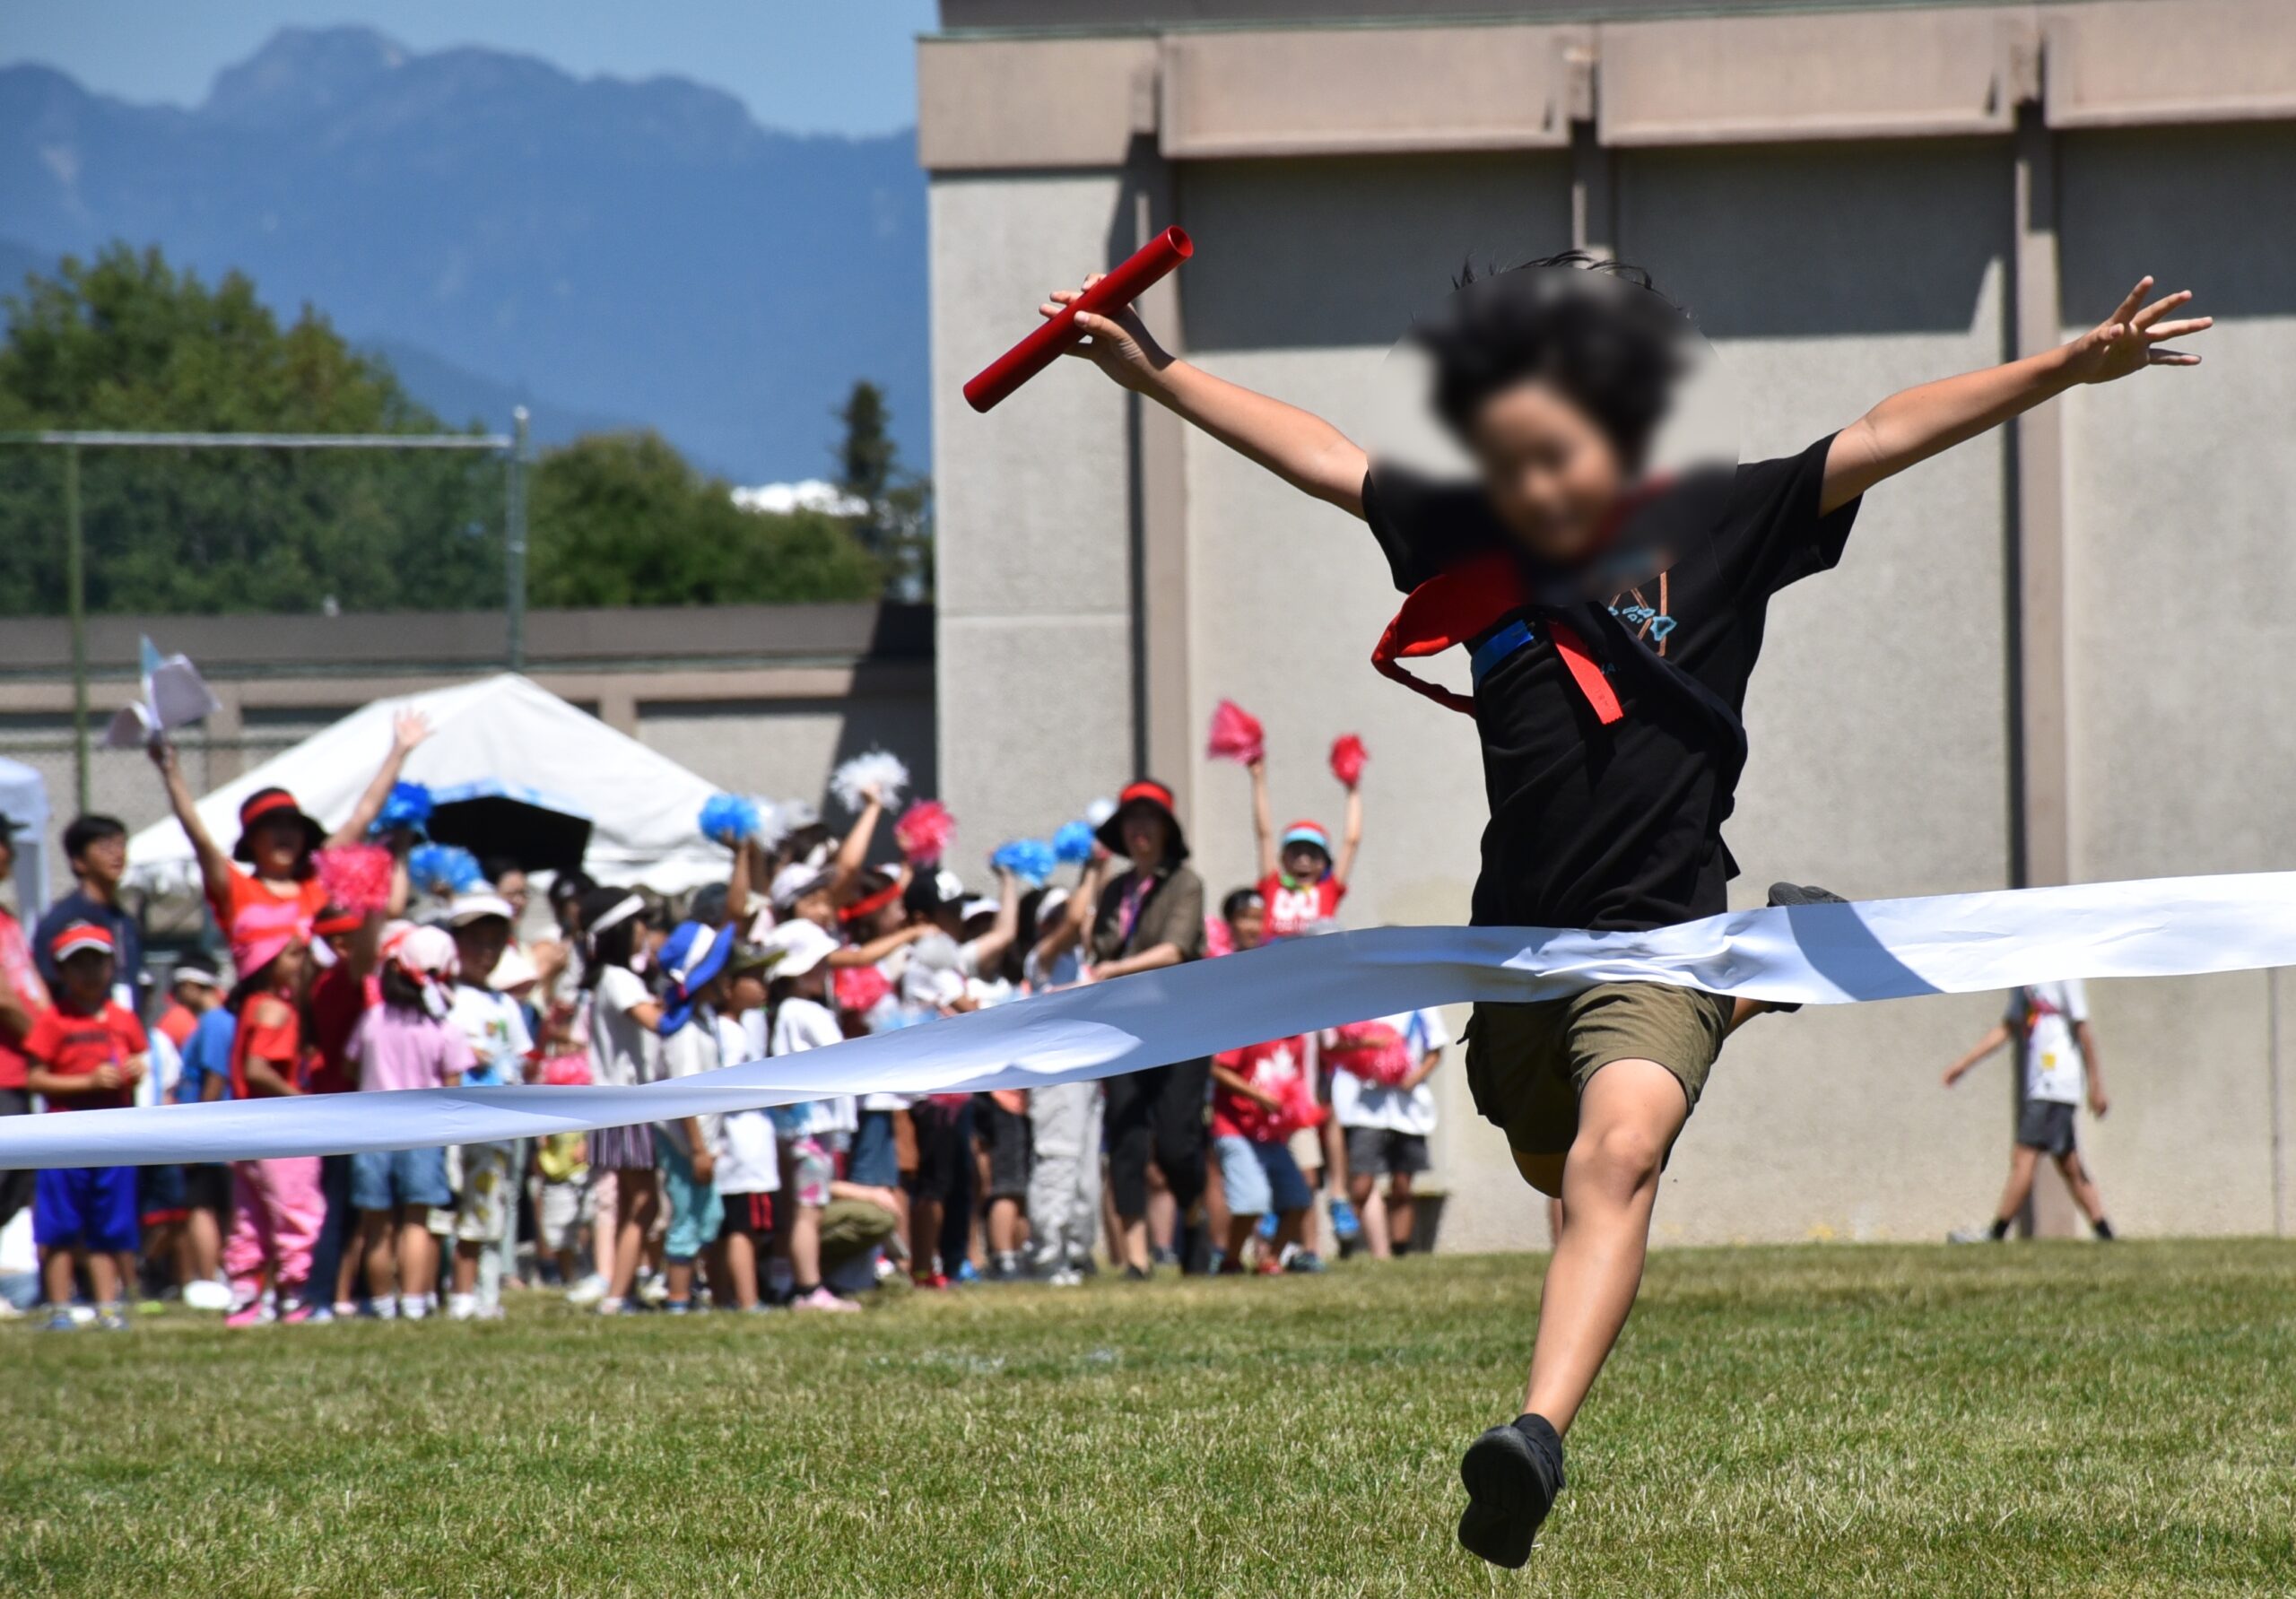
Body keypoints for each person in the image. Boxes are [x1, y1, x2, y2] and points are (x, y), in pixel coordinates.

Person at [1038, 248, 2208, 1564]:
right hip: (1519, 958)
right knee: (1548, 1156)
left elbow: (1884, 430)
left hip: (1660, 935)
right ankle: (1758, 983)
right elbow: (1321, 454)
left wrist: (2063, 364)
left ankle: (1533, 1435)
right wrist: (1154, 370)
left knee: (1614, 1157)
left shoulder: (1716, 519)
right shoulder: (1467, 530)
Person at [152, 709, 427, 943]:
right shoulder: (236, 888)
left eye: (293, 826)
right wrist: (170, 772)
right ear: (253, 840)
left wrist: (399, 751)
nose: (285, 834)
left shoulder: (316, 880)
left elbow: (362, 815)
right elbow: (198, 835)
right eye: (273, 826)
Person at [1082, 780, 1210, 1279]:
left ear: (1166, 829)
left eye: (1149, 819)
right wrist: (1093, 876)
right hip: (1124, 1029)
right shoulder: (1117, 888)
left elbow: (1175, 950)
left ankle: (1194, 1218)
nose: (1139, 830)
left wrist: (1115, 969)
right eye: (1130, 820)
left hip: (1183, 1027)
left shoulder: (1186, 883)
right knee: (1127, 1138)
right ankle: (1136, 1258)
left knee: (1179, 1142)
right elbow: (1096, 946)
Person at [22, 922, 147, 1331]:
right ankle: (59, 1307)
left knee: (109, 1224)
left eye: (97, 961)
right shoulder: (54, 1020)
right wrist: (86, 1082)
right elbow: (35, 1078)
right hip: (63, 1136)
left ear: (112, 966)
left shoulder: (123, 1018)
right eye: (78, 964)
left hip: (114, 1136)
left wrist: (135, 1070)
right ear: (61, 972)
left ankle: (107, 1305)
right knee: (59, 1224)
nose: (90, 972)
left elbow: (142, 1064)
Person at [345, 926, 471, 1318]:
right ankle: (415, 1301)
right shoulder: (443, 1027)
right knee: (417, 1218)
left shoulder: (373, 1019)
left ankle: (382, 1303)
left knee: (377, 1223)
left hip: (370, 1130)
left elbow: (351, 1065)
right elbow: (455, 1082)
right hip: (424, 1130)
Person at [1944, 982, 2117, 1243]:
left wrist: (2096, 1086)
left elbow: (2083, 1029)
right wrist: (1963, 1064)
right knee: (2068, 1163)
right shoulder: (2024, 979)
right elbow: (2008, 1027)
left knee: (2023, 1156)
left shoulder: (2064, 972)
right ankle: (2104, 1233)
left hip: (2056, 1081)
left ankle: (1996, 1234)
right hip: (2043, 1084)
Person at [219, 909, 325, 1326]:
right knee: (298, 1211)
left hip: (246, 1131)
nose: (302, 965)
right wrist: (301, 1099)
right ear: (268, 962)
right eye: (295, 955)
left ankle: (245, 1298)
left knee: (250, 1219)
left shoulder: (251, 1006)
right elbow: (259, 1068)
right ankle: (294, 1296)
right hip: (280, 1132)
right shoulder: (276, 1010)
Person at [441, 888, 534, 1318]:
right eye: (476, 942)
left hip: (497, 1122)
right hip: (451, 1119)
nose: (486, 952)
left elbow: (521, 1058)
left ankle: (486, 1294)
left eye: (495, 943)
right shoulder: (444, 999)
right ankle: (455, 1293)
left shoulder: (505, 1005)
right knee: (452, 1208)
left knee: (491, 1206)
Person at [764, 917, 861, 1312]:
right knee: (809, 1209)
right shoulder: (803, 1010)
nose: (826, 969)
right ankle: (809, 1288)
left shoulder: (789, 1009)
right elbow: (839, 1054)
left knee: (801, 1207)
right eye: (818, 962)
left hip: (801, 1126)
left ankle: (792, 1278)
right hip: (810, 1126)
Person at [577, 887, 663, 1317]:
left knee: (632, 1203)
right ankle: (618, 1294)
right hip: (630, 1106)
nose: (647, 931)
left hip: (612, 1105)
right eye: (640, 922)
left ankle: (621, 1292)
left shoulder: (604, 981)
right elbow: (658, 1023)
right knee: (646, 1204)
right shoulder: (621, 979)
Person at [653, 919, 732, 1314]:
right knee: (684, 1218)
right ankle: (678, 1300)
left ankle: (712, 1297)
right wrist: (698, 1149)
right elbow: (682, 1096)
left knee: (708, 1216)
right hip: (685, 1145)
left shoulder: (702, 1022)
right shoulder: (683, 1034)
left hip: (700, 1144)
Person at [1023, 887, 1100, 1284]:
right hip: (1054, 1072)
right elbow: (1074, 922)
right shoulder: (1041, 960)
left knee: (1087, 1171)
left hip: (1087, 1076)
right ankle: (1047, 1255)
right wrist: (1096, 863)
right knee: (1059, 1161)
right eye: (1056, 917)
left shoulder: (1087, 962)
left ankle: (1076, 1253)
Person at [1326, 1008, 1448, 1257]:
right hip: (1367, 1109)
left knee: (1403, 1184)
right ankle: (1347, 1243)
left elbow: (1435, 1049)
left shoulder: (1422, 1007)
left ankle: (1399, 1249)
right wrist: (1368, 1045)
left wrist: (1413, 1078)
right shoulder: (1362, 1003)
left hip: (1409, 1111)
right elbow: (1334, 1046)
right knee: (1360, 1183)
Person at [1209, 1031, 1321, 1274]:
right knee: (1252, 1200)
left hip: (1272, 1135)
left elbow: (1294, 1082)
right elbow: (1217, 1069)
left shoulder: (1299, 1039)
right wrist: (1258, 1096)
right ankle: (1231, 1260)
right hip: (1234, 1130)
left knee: (1299, 1199)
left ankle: (1270, 1259)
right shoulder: (1251, 1031)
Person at [709, 943, 780, 1312]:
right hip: (738, 1144)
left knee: (728, 1225)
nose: (762, 986)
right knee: (740, 1226)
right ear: (728, 986)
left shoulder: (741, 1026)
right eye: (753, 978)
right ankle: (747, 1299)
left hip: (740, 1144)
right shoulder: (727, 1031)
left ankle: (724, 1296)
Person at [0, 812, 53, 1239]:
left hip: (19, 1072)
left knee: (16, 1184)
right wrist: (55, 1047)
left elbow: (30, 991)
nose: (10, 854)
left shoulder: (8, 919)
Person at [1246, 758, 1361, 943]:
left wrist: (1353, 790)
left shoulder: (1329, 887)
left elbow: (1351, 841)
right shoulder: (1273, 884)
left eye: (1313, 854)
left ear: (1325, 862)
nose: (1304, 860)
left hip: (1317, 964)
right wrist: (1258, 779)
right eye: (1296, 852)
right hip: (1275, 964)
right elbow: (1264, 835)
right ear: (1282, 858)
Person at [34, 814, 143, 1004]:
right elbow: (46, 985)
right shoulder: (62, 919)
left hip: (124, 1026)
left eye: (121, 844)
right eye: (105, 846)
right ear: (79, 861)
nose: (117, 854)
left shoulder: (123, 919)